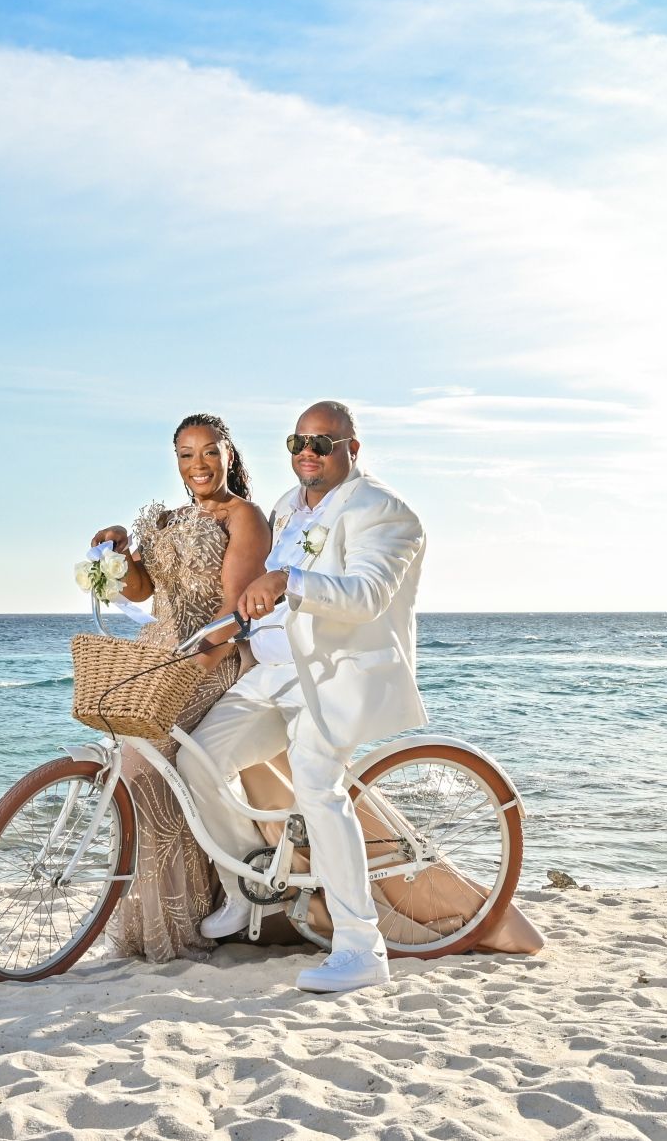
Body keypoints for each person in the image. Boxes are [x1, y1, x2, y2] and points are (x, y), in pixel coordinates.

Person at [180, 400, 454, 992]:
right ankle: (246, 891)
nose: (308, 452)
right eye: (298, 441)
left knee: (316, 784)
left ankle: (363, 948)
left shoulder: (385, 511)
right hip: (273, 673)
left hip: (335, 677)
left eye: (323, 443)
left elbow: (367, 595)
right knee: (194, 762)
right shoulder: (286, 507)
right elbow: (259, 601)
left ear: (352, 449)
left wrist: (288, 581)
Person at [89, 413, 271, 962]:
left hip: (209, 657)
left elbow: (233, 609)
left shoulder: (245, 518)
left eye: (210, 452)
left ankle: (191, 916)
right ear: (176, 462)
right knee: (137, 773)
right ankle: (159, 920)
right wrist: (119, 552)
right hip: (157, 651)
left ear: (230, 456)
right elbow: (144, 591)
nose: (199, 465)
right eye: (187, 455)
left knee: (149, 768)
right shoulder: (165, 519)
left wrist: (196, 663)